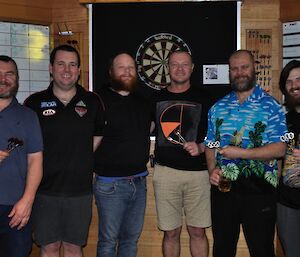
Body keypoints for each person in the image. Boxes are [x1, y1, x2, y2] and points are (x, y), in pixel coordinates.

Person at [205, 49, 287, 257]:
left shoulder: (272, 107)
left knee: (261, 250)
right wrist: (211, 169)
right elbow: (210, 144)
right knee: (222, 249)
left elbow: (280, 148)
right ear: (229, 73)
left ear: (254, 69)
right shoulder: (217, 108)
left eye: (244, 67)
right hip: (224, 190)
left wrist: (240, 152)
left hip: (260, 191)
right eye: (234, 69)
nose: (239, 72)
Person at [24, 45, 104, 257]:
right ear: (51, 68)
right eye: (61, 64)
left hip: (80, 191)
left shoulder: (93, 101)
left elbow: (98, 135)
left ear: (79, 70)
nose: (66, 70)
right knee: (49, 248)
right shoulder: (34, 103)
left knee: (73, 248)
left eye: (72, 64)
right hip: (44, 191)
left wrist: (77, 156)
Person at [93, 52, 152, 257]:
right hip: (110, 185)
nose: (127, 72)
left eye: (131, 68)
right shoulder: (97, 100)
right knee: (108, 241)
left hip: (139, 182)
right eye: (121, 67)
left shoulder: (144, 101)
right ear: (111, 72)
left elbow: (152, 127)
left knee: (130, 241)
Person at [153, 50, 211, 257]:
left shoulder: (205, 98)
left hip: (198, 175)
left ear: (192, 68)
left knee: (197, 231)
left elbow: (218, 134)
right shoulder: (155, 98)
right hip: (165, 173)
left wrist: (202, 147)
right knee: (171, 233)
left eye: (184, 64)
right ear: (167, 68)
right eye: (175, 64)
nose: (179, 68)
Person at [0, 55, 43, 257]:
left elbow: (35, 160)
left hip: (15, 210)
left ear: (17, 79)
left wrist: (27, 200)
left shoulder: (28, 116)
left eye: (9, 74)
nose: (4, 79)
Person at [277, 60, 300, 257]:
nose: (294, 86)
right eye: (289, 82)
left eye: (299, 79)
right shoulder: (285, 121)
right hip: (287, 203)